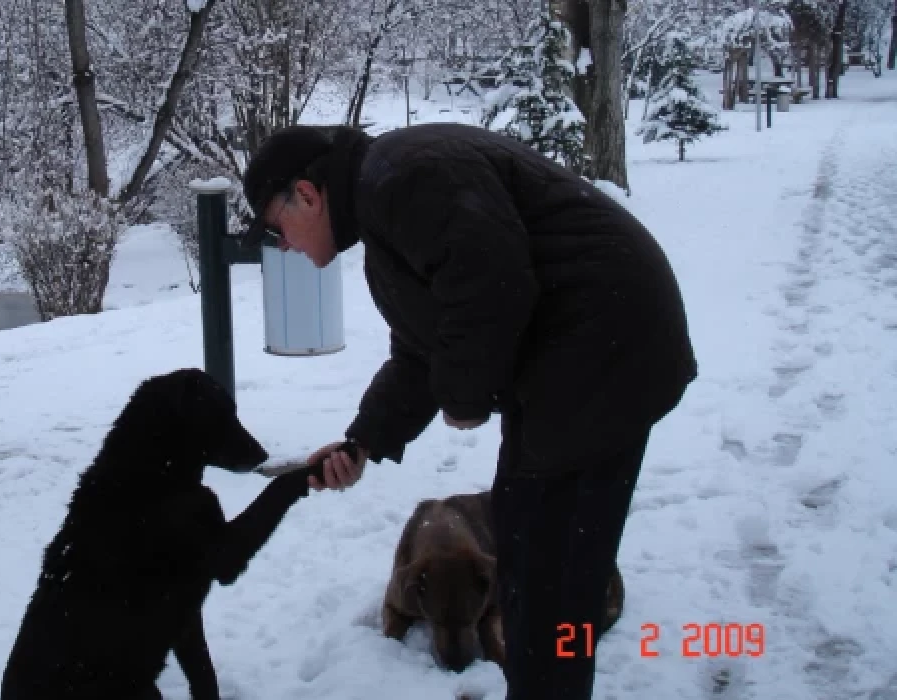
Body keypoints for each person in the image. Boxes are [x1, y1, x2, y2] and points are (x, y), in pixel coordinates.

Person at [239, 123, 697, 699]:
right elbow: (420, 352)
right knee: (529, 562)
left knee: (551, 577)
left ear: (307, 195)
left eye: (276, 229)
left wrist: (464, 393)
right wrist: (363, 442)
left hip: (604, 346)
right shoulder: (386, 214)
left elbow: (492, 280)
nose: (283, 246)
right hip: (578, 357)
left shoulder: (404, 177)